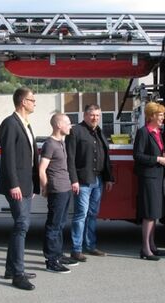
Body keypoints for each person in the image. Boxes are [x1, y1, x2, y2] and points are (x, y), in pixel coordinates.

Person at [0, 87, 39, 290]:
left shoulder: (25, 123)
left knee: (21, 224)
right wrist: (13, 183)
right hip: (16, 185)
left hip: (26, 183)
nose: (34, 103)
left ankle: (11, 269)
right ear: (23, 101)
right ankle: (18, 274)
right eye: (32, 99)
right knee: (22, 225)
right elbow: (8, 157)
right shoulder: (10, 124)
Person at [66, 104, 115, 262]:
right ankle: (76, 249)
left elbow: (106, 158)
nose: (95, 118)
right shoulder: (75, 131)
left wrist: (108, 178)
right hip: (83, 181)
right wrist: (73, 180)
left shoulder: (100, 132)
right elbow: (70, 158)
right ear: (85, 115)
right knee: (81, 215)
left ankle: (91, 246)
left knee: (92, 215)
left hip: (98, 180)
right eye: (92, 115)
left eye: (98, 115)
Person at [39, 113, 80, 273]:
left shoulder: (61, 142)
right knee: (53, 226)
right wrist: (45, 188)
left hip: (66, 189)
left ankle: (58, 255)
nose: (71, 126)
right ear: (58, 125)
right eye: (68, 123)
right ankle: (51, 261)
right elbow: (42, 169)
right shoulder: (49, 144)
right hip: (57, 190)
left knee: (61, 224)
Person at [133, 102, 165, 261]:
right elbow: (138, 155)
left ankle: (152, 246)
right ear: (152, 116)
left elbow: (158, 150)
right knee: (149, 214)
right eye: (160, 115)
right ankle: (145, 249)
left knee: (154, 213)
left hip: (156, 176)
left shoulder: (157, 132)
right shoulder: (144, 132)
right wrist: (157, 159)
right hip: (148, 178)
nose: (162, 118)